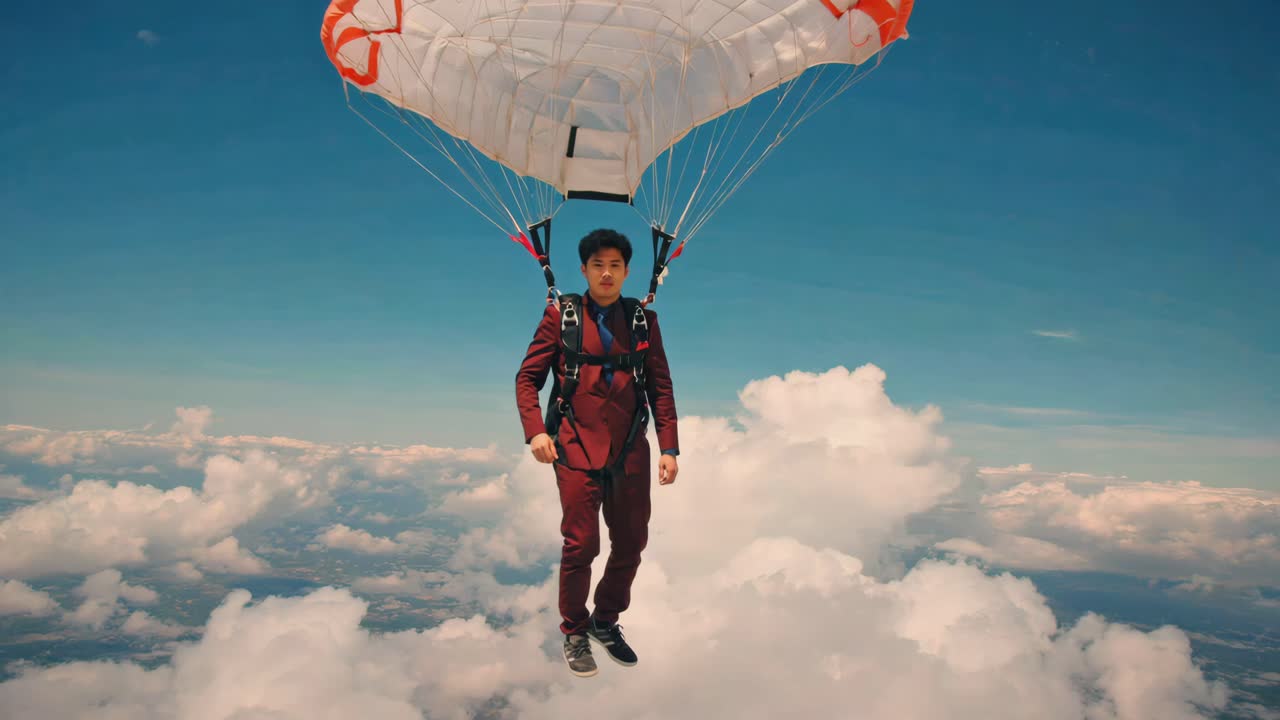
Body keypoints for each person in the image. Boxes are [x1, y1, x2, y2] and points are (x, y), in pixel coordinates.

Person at [515, 228, 680, 677]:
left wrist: (669, 447)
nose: (606, 273)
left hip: (629, 452)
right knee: (581, 544)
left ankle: (604, 621)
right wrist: (535, 433)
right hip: (573, 448)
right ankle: (574, 630)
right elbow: (527, 379)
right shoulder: (561, 318)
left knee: (631, 542)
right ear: (585, 269)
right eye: (597, 265)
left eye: (615, 266)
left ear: (627, 271)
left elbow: (660, 387)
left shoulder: (644, 322)